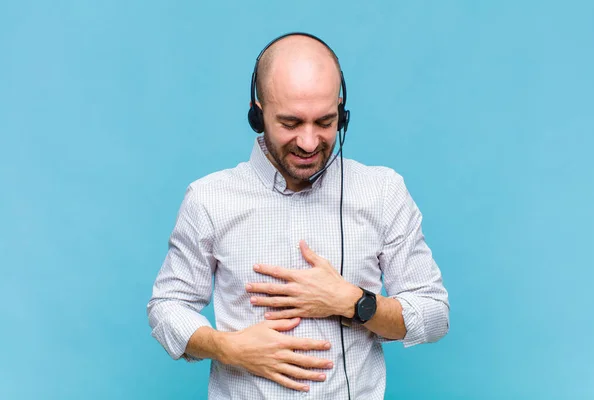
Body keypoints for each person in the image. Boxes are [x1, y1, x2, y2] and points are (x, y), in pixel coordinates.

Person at [147, 32, 449, 399]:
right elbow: (167, 306)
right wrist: (226, 347)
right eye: (291, 123)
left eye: (324, 122)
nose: (309, 142)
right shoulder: (209, 199)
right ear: (257, 114)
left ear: (342, 110)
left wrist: (356, 303)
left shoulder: (383, 192)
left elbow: (433, 314)